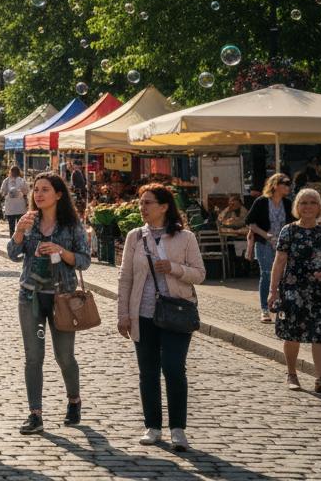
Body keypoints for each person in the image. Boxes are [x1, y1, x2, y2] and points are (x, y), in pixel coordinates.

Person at [116, 183, 204, 451]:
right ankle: (153, 426)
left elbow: (200, 274)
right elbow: (125, 277)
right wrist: (123, 314)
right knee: (148, 372)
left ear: (164, 207)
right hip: (142, 313)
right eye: (141, 203)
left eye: (148, 203)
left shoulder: (185, 238)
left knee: (174, 368)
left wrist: (175, 269)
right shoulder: (135, 237)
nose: (142, 208)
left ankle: (178, 428)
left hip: (176, 311)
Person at [8, 173, 91, 434]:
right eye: (36, 190)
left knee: (64, 356)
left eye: (45, 190)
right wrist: (19, 232)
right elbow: (12, 254)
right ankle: (35, 414)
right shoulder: (29, 222)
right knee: (34, 357)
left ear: (58, 194)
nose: (38, 194)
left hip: (62, 298)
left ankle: (74, 401)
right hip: (31, 297)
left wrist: (60, 251)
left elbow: (84, 260)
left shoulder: (71, 225)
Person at [267, 188, 321, 392]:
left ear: (319, 207)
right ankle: (292, 374)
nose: (308, 207)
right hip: (293, 288)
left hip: (320, 290)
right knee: (292, 333)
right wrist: (272, 290)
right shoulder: (289, 231)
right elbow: (279, 262)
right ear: (297, 207)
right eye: (303, 203)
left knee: (320, 334)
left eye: (313, 202)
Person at [246, 173, 295, 323]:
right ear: (275, 185)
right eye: (285, 183)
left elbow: (295, 221)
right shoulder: (261, 202)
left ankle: (281, 307)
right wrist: (265, 234)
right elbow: (250, 222)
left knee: (284, 276)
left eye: (289, 184)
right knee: (267, 274)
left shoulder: (287, 203)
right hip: (264, 244)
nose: (288, 186)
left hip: (283, 245)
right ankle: (265, 310)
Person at [0, 166, 29, 235]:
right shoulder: (21, 180)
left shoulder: (7, 180)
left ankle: (13, 239)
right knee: (20, 225)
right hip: (19, 207)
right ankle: (19, 239)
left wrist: (6, 194)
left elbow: (2, 192)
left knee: (12, 226)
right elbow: (27, 191)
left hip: (11, 207)